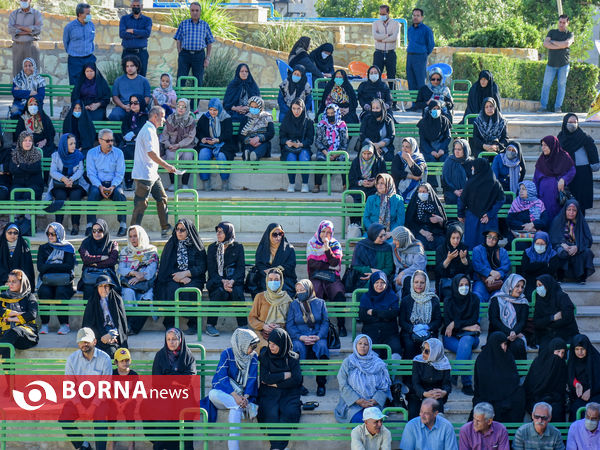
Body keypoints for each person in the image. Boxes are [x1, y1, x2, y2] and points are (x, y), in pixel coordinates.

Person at [209, 328, 260, 450]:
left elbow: (252, 379)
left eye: (255, 347)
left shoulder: (253, 357)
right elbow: (222, 378)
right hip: (223, 395)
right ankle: (240, 404)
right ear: (242, 344)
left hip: (241, 398)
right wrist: (235, 396)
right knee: (212, 393)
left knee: (236, 408)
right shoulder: (226, 354)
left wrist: (245, 397)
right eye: (251, 347)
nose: (253, 350)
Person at [62, 327, 112, 450]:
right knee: (64, 419)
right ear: (78, 343)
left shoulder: (104, 358)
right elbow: (69, 387)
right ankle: (84, 445)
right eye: (81, 341)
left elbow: (105, 387)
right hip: (80, 397)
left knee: (100, 420)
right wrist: (79, 405)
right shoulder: (72, 360)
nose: (84, 344)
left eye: (87, 341)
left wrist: (93, 406)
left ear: (94, 341)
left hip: (99, 397)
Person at [130, 106, 175, 238]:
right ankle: (134, 233)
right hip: (144, 174)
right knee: (140, 204)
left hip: (152, 174)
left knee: (162, 198)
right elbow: (151, 153)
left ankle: (165, 228)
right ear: (155, 116)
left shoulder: (150, 129)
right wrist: (166, 165)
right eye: (163, 116)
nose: (164, 120)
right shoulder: (148, 131)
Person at [156, 218, 206, 334]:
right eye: (177, 229)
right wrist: (177, 276)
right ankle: (169, 323)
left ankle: (193, 324)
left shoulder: (197, 245)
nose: (179, 232)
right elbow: (166, 265)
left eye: (182, 230)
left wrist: (186, 274)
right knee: (171, 289)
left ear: (188, 231)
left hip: (193, 278)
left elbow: (202, 266)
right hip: (173, 277)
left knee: (191, 290)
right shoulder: (171, 244)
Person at [151, 328, 196, 450]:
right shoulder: (160, 355)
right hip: (164, 394)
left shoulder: (188, 356)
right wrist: (176, 380)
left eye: (174, 339)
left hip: (183, 395)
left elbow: (190, 379)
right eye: (169, 339)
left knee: (186, 413)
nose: (171, 342)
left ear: (180, 340)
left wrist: (169, 378)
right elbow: (156, 381)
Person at [258, 328, 303, 450]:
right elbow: (265, 378)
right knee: (270, 412)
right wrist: (284, 375)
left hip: (289, 392)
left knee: (288, 412)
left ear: (282, 344)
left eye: (275, 344)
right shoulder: (265, 355)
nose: (271, 347)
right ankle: (279, 447)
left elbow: (296, 379)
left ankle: (276, 447)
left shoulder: (292, 358)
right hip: (269, 392)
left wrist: (277, 384)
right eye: (270, 344)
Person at [286, 279, 330, 397]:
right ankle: (299, 384)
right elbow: (290, 325)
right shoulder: (294, 304)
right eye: (298, 290)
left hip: (317, 336)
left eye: (303, 290)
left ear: (309, 289)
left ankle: (321, 384)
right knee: (297, 347)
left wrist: (318, 336)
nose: (300, 292)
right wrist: (301, 337)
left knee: (322, 347)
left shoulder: (320, 303)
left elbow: (325, 322)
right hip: (299, 337)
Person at [335, 334, 391, 423]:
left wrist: (375, 400)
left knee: (374, 420)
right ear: (355, 346)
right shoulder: (348, 362)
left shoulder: (378, 363)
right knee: (360, 420)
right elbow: (343, 384)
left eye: (366, 344)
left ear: (370, 346)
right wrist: (358, 400)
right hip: (352, 404)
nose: (362, 346)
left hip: (372, 403)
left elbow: (384, 385)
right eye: (360, 343)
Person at [472, 331, 525, 423]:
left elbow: (514, 377)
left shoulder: (508, 356)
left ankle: (513, 433)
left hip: (507, 392)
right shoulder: (483, 359)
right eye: (503, 344)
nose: (505, 347)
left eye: (505, 344)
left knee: (519, 396)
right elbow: (482, 383)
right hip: (488, 394)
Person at [206, 222, 246, 337]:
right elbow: (212, 270)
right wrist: (223, 281)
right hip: (217, 281)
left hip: (234, 281)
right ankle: (210, 325)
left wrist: (232, 281)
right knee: (218, 292)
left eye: (221, 232)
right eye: (217, 232)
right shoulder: (212, 248)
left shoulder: (238, 247)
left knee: (237, 292)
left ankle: (243, 326)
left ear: (228, 233)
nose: (218, 234)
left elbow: (240, 269)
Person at [307, 220, 347, 335]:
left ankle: (341, 325)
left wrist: (327, 249)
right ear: (319, 231)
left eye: (328, 232)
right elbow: (312, 264)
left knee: (338, 292)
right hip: (316, 276)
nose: (325, 235)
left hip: (332, 276)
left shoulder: (335, 244)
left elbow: (335, 263)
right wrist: (328, 264)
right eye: (323, 231)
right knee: (315, 292)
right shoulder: (312, 243)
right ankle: (317, 325)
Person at [442, 274, 480, 395]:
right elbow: (447, 324)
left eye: (467, 285)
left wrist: (455, 324)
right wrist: (465, 326)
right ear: (455, 286)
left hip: (471, 337)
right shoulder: (449, 300)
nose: (464, 287)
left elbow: (474, 320)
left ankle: (455, 372)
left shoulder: (474, 299)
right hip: (451, 338)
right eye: (461, 285)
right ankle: (467, 384)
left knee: (466, 341)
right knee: (465, 349)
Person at [85, 129, 127, 237]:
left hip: (114, 184)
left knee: (120, 194)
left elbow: (120, 173)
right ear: (100, 140)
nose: (110, 143)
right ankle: (90, 225)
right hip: (98, 183)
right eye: (107, 141)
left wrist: (113, 186)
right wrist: (100, 186)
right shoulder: (91, 153)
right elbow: (91, 174)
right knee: (92, 194)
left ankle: (123, 224)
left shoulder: (118, 153)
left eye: (112, 140)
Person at [118, 225, 158, 335]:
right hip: (129, 282)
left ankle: (133, 328)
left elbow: (152, 269)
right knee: (128, 293)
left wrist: (140, 277)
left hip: (146, 283)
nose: (133, 239)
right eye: (130, 236)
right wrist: (134, 273)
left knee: (147, 298)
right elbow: (121, 268)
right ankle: (128, 326)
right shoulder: (125, 251)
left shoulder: (151, 251)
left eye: (135, 236)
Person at [37, 222, 76, 335]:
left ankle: (64, 325)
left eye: (53, 234)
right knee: (44, 292)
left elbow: (68, 266)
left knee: (61, 292)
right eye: (48, 234)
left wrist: (49, 266)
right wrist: (58, 267)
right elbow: (41, 268)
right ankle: (44, 324)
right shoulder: (43, 248)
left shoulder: (68, 248)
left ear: (59, 234)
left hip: (64, 282)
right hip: (46, 281)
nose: (50, 236)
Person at [458, 158, 505, 249]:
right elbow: (501, 199)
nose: (472, 168)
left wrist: (460, 214)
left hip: (472, 219)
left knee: (472, 247)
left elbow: (462, 200)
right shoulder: (495, 183)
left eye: (473, 166)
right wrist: (489, 214)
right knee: (489, 248)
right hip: (489, 220)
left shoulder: (470, 183)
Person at [558, 113, 600, 213]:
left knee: (580, 207)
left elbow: (594, 158)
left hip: (582, 177)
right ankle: (569, 228)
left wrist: (592, 165)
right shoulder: (560, 138)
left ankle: (579, 228)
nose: (572, 124)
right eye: (570, 122)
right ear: (565, 123)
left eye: (575, 122)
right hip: (566, 176)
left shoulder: (584, 138)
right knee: (566, 207)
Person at [49, 134, 88, 235]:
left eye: (74, 143)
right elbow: (52, 172)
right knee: (60, 196)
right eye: (70, 144)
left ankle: (75, 225)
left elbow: (80, 170)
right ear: (64, 145)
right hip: (59, 184)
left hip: (75, 183)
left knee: (75, 196)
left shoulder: (78, 155)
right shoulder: (56, 155)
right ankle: (58, 226)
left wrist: (71, 179)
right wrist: (64, 179)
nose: (73, 146)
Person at [549, 199, 595, 283]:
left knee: (587, 252)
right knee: (559, 252)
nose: (571, 212)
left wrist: (577, 247)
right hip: (563, 247)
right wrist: (562, 245)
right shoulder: (558, 220)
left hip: (577, 249)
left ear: (577, 211)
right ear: (565, 210)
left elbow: (588, 239)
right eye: (569, 210)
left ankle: (581, 277)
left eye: (574, 210)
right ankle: (560, 275)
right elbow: (553, 239)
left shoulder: (581, 222)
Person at [399, 270, 442, 359]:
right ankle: (408, 371)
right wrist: (413, 328)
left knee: (429, 345)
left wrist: (427, 327)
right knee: (409, 345)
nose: (419, 285)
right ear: (412, 283)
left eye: (422, 282)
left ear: (426, 284)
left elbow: (438, 321)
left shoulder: (433, 299)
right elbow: (402, 321)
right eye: (416, 282)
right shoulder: (406, 300)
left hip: (429, 331)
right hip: (409, 332)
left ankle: (427, 371)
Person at [82, 275, 128, 359]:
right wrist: (103, 336)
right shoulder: (92, 301)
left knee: (111, 352)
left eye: (106, 286)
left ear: (110, 288)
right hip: (97, 335)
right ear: (97, 288)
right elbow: (88, 325)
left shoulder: (117, 300)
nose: (104, 289)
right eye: (101, 286)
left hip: (113, 334)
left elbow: (121, 324)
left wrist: (112, 335)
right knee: (94, 353)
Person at [196, 97, 236, 191]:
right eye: (210, 109)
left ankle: (225, 180)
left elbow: (228, 134)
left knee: (221, 156)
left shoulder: (226, 118)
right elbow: (199, 131)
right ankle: (205, 181)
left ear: (219, 109)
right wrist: (203, 139)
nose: (212, 112)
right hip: (207, 144)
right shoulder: (205, 117)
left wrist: (218, 140)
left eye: (215, 110)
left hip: (223, 144)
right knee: (203, 154)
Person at [359, 270, 401, 358]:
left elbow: (393, 313)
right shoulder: (366, 297)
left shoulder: (392, 296)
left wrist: (374, 312)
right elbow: (363, 316)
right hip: (371, 332)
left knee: (396, 350)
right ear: (372, 283)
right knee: (372, 352)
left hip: (390, 333)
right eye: (377, 282)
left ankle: (393, 372)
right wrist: (384, 315)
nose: (379, 285)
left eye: (382, 282)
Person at [524, 338, 568, 420]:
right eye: (558, 352)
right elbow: (532, 386)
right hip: (537, 397)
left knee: (557, 409)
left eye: (562, 353)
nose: (560, 355)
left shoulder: (561, 365)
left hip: (555, 398)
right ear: (551, 350)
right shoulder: (539, 363)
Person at [248, 267, 293, 349]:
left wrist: (280, 327)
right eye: (270, 279)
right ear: (266, 280)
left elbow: (291, 320)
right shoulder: (260, 297)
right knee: (265, 347)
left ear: (281, 281)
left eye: (276, 280)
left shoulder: (287, 299)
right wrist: (263, 326)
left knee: (279, 347)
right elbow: (252, 318)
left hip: (281, 333)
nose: (273, 282)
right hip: (262, 333)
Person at [174, 1, 214, 88]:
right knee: (181, 79)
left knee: (198, 81)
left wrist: (207, 58)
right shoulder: (183, 24)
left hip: (199, 56)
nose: (194, 12)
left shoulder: (205, 25)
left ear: (200, 12)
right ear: (190, 11)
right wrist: (180, 53)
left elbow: (209, 42)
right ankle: (180, 101)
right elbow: (178, 40)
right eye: (192, 10)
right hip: (185, 55)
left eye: (197, 10)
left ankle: (194, 102)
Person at [488, 274, 529, 360]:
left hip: (516, 333)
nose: (520, 290)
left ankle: (519, 373)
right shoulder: (496, 299)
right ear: (510, 285)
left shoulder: (523, 302)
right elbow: (494, 320)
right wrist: (508, 332)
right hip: (498, 331)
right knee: (499, 343)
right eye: (517, 286)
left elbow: (522, 322)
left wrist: (514, 332)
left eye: (522, 287)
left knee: (517, 345)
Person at [534, 135, 576, 219]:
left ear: (552, 145)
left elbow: (572, 170)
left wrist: (564, 179)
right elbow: (535, 179)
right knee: (545, 217)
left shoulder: (563, 156)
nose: (543, 148)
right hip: (543, 196)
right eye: (542, 145)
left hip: (557, 196)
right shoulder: (542, 160)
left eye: (545, 145)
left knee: (557, 219)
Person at [410, 338, 452, 419]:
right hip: (418, 393)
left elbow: (447, 384)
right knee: (414, 408)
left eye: (427, 351)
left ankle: (438, 429)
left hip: (436, 394)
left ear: (435, 352)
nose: (423, 353)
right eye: (423, 349)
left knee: (436, 404)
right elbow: (415, 383)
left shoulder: (444, 363)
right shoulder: (417, 361)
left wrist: (443, 392)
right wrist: (424, 393)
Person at [539, 15, 574, 113]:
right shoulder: (552, 32)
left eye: (564, 22)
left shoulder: (570, 34)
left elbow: (567, 44)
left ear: (567, 23)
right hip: (551, 64)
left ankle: (558, 107)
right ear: (558, 22)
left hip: (564, 65)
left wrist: (553, 42)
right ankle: (543, 107)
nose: (561, 24)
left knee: (561, 86)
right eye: (560, 22)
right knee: (546, 85)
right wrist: (561, 45)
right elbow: (545, 44)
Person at [0, 270, 38, 358]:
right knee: (7, 343)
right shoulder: (3, 296)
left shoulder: (29, 297)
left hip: (25, 336)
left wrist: (10, 318)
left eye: (14, 282)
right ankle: (8, 372)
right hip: (4, 333)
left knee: (13, 332)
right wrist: (15, 313)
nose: (10, 284)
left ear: (22, 282)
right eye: (9, 281)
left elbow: (32, 314)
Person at [160, 98, 196, 190]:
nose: (180, 109)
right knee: (171, 156)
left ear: (187, 108)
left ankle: (185, 183)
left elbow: (191, 137)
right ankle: (173, 183)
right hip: (172, 146)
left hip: (186, 146)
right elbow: (165, 135)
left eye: (183, 107)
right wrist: (168, 145)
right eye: (179, 106)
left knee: (188, 156)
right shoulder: (170, 118)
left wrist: (179, 145)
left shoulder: (191, 120)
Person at [279, 98, 314, 193]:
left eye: (298, 108)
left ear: (303, 108)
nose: (296, 111)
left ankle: (305, 184)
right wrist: (287, 142)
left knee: (304, 158)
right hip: (289, 148)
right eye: (294, 108)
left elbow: (310, 139)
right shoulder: (286, 121)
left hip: (303, 147)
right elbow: (281, 137)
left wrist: (301, 144)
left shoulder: (308, 122)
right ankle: (291, 183)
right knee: (291, 159)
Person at [78, 219, 119, 300]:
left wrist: (95, 263)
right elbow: (86, 259)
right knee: (89, 289)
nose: (96, 233)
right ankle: (90, 312)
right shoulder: (86, 243)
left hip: (107, 277)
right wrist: (101, 258)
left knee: (108, 288)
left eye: (99, 230)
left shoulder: (112, 244)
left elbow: (112, 261)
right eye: (94, 231)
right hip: (90, 276)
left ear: (105, 230)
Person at [534, 275, 579, 349]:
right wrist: (552, 318)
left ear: (548, 284)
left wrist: (547, 323)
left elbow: (568, 318)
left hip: (566, 333)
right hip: (547, 334)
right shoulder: (540, 300)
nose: (538, 288)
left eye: (540, 285)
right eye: (537, 286)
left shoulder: (562, 297)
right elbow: (537, 323)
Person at [253, 223, 297, 298]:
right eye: (274, 234)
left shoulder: (289, 249)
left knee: (284, 289)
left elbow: (290, 266)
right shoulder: (262, 248)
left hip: (284, 277)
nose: (278, 237)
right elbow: (259, 264)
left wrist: (276, 270)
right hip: (265, 277)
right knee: (264, 288)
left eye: (280, 234)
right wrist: (266, 272)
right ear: (269, 235)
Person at [313, 103, 349, 193]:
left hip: (338, 151)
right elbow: (318, 141)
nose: (330, 115)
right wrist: (327, 153)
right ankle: (317, 185)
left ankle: (345, 185)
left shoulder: (342, 125)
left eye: (332, 113)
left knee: (344, 160)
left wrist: (335, 155)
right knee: (320, 160)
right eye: (328, 113)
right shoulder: (321, 124)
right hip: (325, 150)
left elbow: (344, 143)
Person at [348, 224, 394, 292]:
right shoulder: (361, 246)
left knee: (378, 284)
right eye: (380, 236)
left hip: (382, 277)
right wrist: (371, 270)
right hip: (363, 277)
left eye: (385, 235)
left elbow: (389, 268)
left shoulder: (387, 247)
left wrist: (377, 274)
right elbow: (356, 266)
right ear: (373, 235)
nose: (383, 238)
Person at [405, 182, 447, 251]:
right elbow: (409, 222)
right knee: (419, 243)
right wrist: (424, 232)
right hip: (419, 231)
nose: (422, 193)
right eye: (420, 191)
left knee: (442, 242)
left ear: (429, 192)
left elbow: (444, 225)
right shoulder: (414, 204)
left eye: (424, 191)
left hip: (435, 232)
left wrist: (440, 220)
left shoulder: (435, 205)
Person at [567, 334, 600, 421]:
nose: (580, 352)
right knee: (576, 408)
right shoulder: (573, 360)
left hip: (596, 392)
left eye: (582, 349)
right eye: (577, 349)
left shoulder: (596, 360)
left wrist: (591, 390)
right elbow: (570, 376)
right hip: (579, 394)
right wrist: (576, 384)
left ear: (587, 349)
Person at [435, 225, 471, 302]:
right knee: (450, 297)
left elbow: (468, 270)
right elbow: (438, 271)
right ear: (448, 237)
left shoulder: (463, 248)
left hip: (461, 283)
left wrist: (463, 259)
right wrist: (448, 259)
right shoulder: (441, 249)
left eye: (458, 238)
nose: (456, 241)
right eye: (453, 238)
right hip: (446, 282)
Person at [109, 55, 151, 121]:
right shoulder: (119, 80)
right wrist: (123, 106)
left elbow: (147, 97)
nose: (129, 68)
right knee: (114, 115)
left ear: (137, 67)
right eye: (127, 66)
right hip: (123, 107)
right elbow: (115, 97)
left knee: (145, 116)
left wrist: (137, 106)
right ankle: (116, 131)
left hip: (139, 107)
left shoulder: (144, 81)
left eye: (132, 66)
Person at [63, 3, 96, 86]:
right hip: (75, 60)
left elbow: (91, 40)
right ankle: (76, 99)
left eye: (90, 13)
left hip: (89, 58)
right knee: (75, 83)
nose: (89, 16)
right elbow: (66, 42)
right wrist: (73, 52)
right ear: (79, 14)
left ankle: (89, 99)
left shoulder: (91, 25)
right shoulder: (70, 27)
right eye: (87, 14)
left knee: (90, 82)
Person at [372, 5, 399, 107]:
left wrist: (381, 38)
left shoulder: (395, 24)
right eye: (380, 14)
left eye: (384, 14)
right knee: (375, 76)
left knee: (391, 77)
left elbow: (394, 38)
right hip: (378, 52)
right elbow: (375, 36)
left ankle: (393, 103)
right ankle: (375, 101)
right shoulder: (375, 23)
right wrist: (387, 35)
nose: (382, 16)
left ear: (388, 13)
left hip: (390, 53)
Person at [519, 232, 559, 299]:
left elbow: (551, 270)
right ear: (534, 242)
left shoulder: (552, 254)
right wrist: (544, 264)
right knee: (529, 294)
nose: (539, 246)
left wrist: (533, 267)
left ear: (547, 244)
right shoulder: (528, 252)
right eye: (537, 243)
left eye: (542, 244)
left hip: (546, 279)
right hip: (530, 279)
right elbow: (525, 268)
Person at [417, 100, 451, 178]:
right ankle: (432, 185)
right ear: (430, 110)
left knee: (445, 160)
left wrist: (442, 149)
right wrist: (431, 151)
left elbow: (448, 137)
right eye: (434, 109)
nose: (436, 111)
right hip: (428, 150)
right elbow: (423, 140)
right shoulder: (423, 122)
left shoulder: (444, 120)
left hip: (442, 149)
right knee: (430, 159)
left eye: (438, 108)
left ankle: (445, 185)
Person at [120, 94, 148, 190]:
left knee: (134, 151)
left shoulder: (145, 115)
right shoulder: (128, 115)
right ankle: (128, 181)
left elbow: (144, 128)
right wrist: (128, 135)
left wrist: (134, 134)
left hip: (141, 143)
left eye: (136, 103)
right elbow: (124, 128)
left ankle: (139, 182)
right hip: (129, 143)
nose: (133, 105)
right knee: (123, 151)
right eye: (131, 103)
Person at [8, 0, 42, 77]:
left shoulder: (36, 14)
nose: (23, 1)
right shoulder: (14, 14)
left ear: (30, 1)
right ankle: (18, 88)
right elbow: (11, 29)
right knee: (17, 71)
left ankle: (33, 89)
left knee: (34, 71)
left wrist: (20, 27)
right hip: (17, 45)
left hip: (31, 45)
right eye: (21, 0)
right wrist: (29, 31)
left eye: (25, 0)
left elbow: (38, 30)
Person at [390, 226, 426, 296]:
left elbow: (419, 266)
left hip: (415, 276)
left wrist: (403, 273)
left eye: (396, 240)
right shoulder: (394, 246)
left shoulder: (417, 248)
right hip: (398, 277)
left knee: (408, 282)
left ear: (403, 239)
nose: (393, 242)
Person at [405, 8, 435, 94]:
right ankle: (414, 105)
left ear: (422, 17)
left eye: (418, 16)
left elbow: (431, 45)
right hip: (410, 56)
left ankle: (421, 105)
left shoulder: (426, 30)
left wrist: (424, 54)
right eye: (414, 15)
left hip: (420, 57)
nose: (415, 17)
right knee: (411, 81)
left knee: (420, 81)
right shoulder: (410, 29)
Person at [119, 0, 152, 77]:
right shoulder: (124, 19)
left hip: (141, 53)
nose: (136, 7)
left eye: (138, 6)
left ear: (142, 6)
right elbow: (122, 34)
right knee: (127, 77)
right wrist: (140, 34)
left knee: (141, 77)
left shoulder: (147, 20)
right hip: (127, 52)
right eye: (134, 6)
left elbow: (147, 33)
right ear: (131, 6)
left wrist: (132, 31)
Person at [348, 144, 387, 208]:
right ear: (361, 152)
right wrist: (361, 182)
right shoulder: (356, 162)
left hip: (375, 188)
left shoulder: (379, 161)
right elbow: (351, 179)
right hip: (359, 187)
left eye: (369, 153)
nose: (366, 156)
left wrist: (375, 182)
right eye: (364, 153)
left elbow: (384, 176)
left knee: (376, 196)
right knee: (356, 198)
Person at [9, 130, 44, 201]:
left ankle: (33, 212)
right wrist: (28, 166)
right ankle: (20, 212)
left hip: (35, 184)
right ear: (20, 141)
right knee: (15, 194)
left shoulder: (36, 153)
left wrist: (20, 165)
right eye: (25, 140)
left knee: (28, 194)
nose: (28, 143)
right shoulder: (15, 153)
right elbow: (12, 169)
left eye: (30, 140)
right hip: (18, 184)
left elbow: (35, 168)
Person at [239, 96, 274, 162]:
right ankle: (249, 154)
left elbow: (271, 133)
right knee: (247, 146)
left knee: (265, 145)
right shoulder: (246, 118)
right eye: (251, 107)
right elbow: (241, 135)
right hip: (249, 142)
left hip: (262, 142)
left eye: (256, 107)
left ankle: (254, 155)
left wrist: (258, 139)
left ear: (260, 107)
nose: (253, 109)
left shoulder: (267, 117)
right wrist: (250, 141)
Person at [391, 137, 427, 202]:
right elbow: (395, 172)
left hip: (416, 187)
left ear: (413, 147)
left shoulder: (419, 158)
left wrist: (409, 159)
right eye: (403, 146)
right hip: (399, 186)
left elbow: (418, 173)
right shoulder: (399, 156)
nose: (404, 149)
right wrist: (412, 176)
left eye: (407, 147)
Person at [0, 223, 35, 288]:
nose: (12, 235)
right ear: (5, 233)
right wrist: (7, 280)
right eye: (10, 233)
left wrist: (15, 280)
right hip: (2, 280)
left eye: (15, 233)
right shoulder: (1, 246)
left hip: (20, 280)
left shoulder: (23, 247)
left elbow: (27, 268)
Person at [441, 139, 471, 205]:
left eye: (459, 149)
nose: (456, 151)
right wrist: (455, 191)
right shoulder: (449, 161)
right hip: (451, 191)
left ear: (465, 150)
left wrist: (466, 190)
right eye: (455, 149)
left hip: (468, 191)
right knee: (452, 198)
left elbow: (474, 180)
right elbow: (444, 181)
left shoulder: (471, 162)